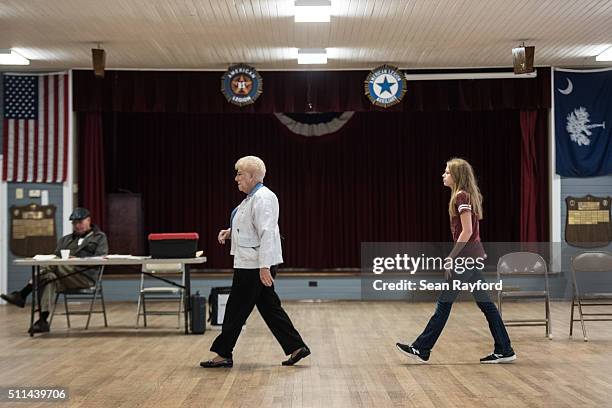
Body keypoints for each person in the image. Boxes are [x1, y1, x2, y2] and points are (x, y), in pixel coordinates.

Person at [396, 158, 516, 364]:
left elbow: (467, 231)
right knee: (486, 305)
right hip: (473, 258)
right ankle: (505, 349)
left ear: (457, 176)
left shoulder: (461, 197)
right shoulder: (466, 196)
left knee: (444, 304)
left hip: (466, 259)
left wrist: (451, 257)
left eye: (447, 172)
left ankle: (421, 348)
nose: (443, 175)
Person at [200, 156, 310, 368]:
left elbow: (267, 232)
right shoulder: (251, 198)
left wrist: (264, 267)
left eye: (240, 174)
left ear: (252, 176)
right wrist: (230, 233)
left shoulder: (262, 198)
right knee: (269, 307)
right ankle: (297, 347)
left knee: (235, 309)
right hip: (251, 262)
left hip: (254, 265)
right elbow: (249, 228)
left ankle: (223, 353)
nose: (236, 178)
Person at [1, 207, 108, 333]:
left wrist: (78, 259)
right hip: (63, 278)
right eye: (74, 223)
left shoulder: (99, 237)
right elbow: (54, 259)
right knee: (48, 277)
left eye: (80, 222)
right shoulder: (65, 240)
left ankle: (23, 294)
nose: (77, 225)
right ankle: (42, 321)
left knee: (53, 262)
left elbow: (101, 257)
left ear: (89, 220)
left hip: (84, 277)